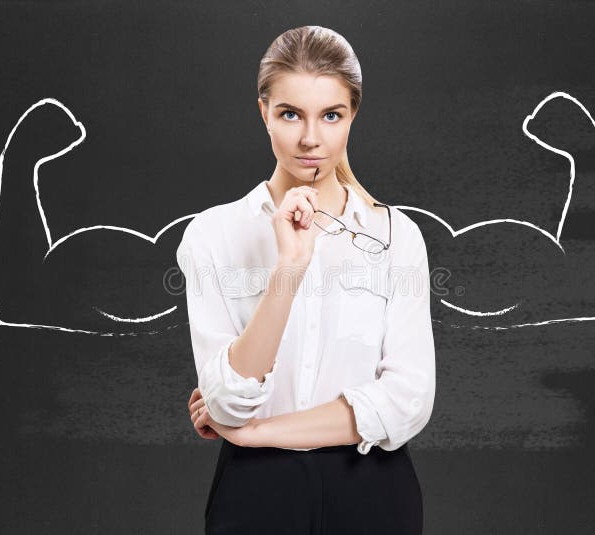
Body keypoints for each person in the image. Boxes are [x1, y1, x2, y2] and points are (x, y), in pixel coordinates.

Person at [177, 25, 435, 535]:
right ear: (263, 113)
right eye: (290, 114)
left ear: (352, 116)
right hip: (256, 496)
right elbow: (227, 403)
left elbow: (407, 400)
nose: (311, 139)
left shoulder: (396, 236)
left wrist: (254, 433)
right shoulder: (214, 234)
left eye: (331, 115)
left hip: (374, 492)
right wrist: (289, 269)